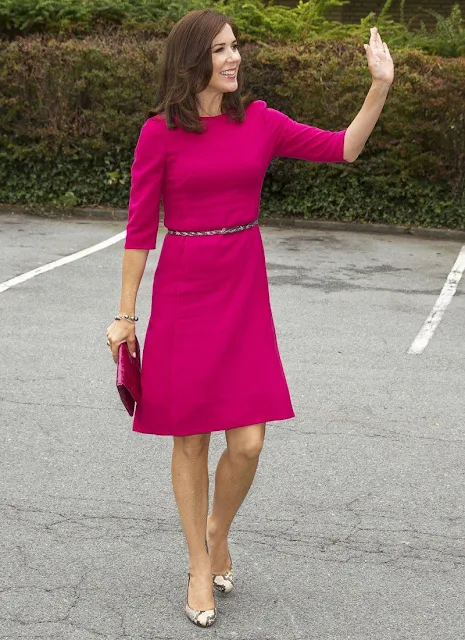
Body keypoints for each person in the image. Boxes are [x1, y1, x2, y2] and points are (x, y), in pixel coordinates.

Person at [106, 9, 394, 628]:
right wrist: (126, 316)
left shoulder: (260, 122)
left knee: (249, 441)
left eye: (236, 47)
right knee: (191, 438)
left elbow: (343, 147)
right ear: (193, 62)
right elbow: (138, 232)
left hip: (242, 288)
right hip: (183, 288)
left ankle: (215, 531)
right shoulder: (159, 133)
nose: (235, 58)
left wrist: (380, 87)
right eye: (221, 50)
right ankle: (197, 562)